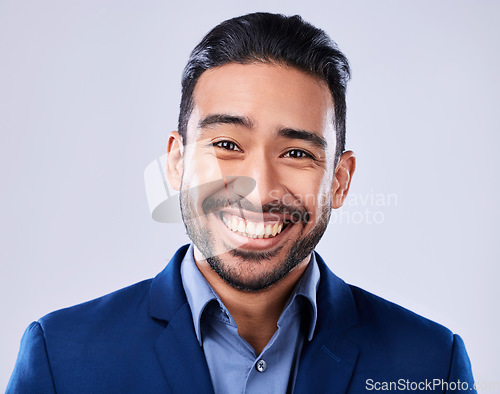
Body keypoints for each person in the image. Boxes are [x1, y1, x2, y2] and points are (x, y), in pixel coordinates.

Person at [7, 12, 476, 394]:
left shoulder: (433, 365)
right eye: (227, 145)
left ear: (339, 179)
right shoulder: (61, 360)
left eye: (296, 153)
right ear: (176, 162)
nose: (260, 188)